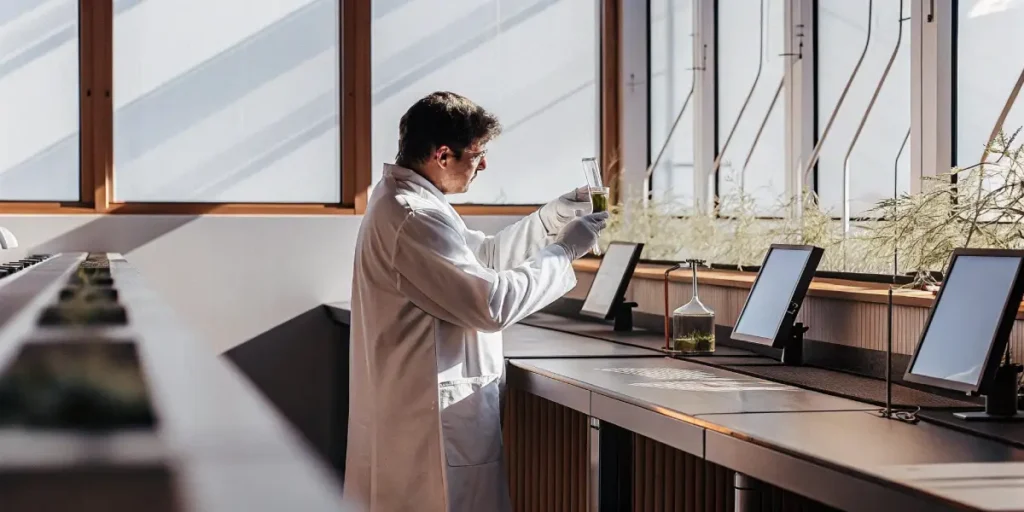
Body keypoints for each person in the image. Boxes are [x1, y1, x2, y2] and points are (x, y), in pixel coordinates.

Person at [344, 91, 608, 512]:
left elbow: (478, 260)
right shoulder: (412, 213)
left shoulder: (411, 200)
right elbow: (492, 304)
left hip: (422, 411)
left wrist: (548, 220)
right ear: (443, 155)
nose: (484, 164)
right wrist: (564, 252)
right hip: (428, 426)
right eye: (477, 153)